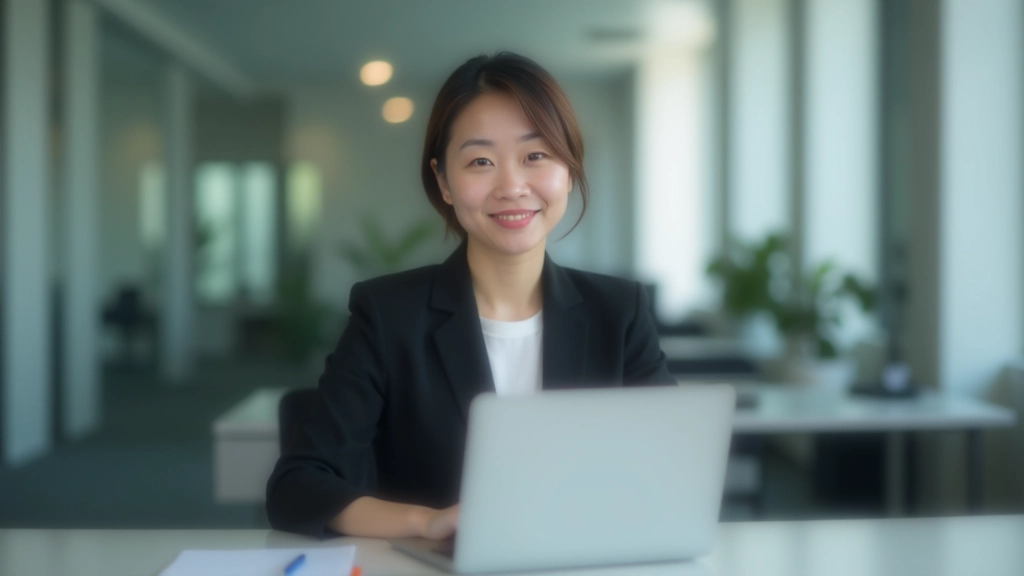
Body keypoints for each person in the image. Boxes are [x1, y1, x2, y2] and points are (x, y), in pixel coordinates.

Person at [266, 51, 674, 540]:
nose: (511, 186)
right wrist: (426, 522)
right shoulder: (388, 315)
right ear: (443, 181)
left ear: (569, 168)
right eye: (480, 161)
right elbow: (299, 485)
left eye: (535, 156)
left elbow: (669, 470)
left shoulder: (619, 312)